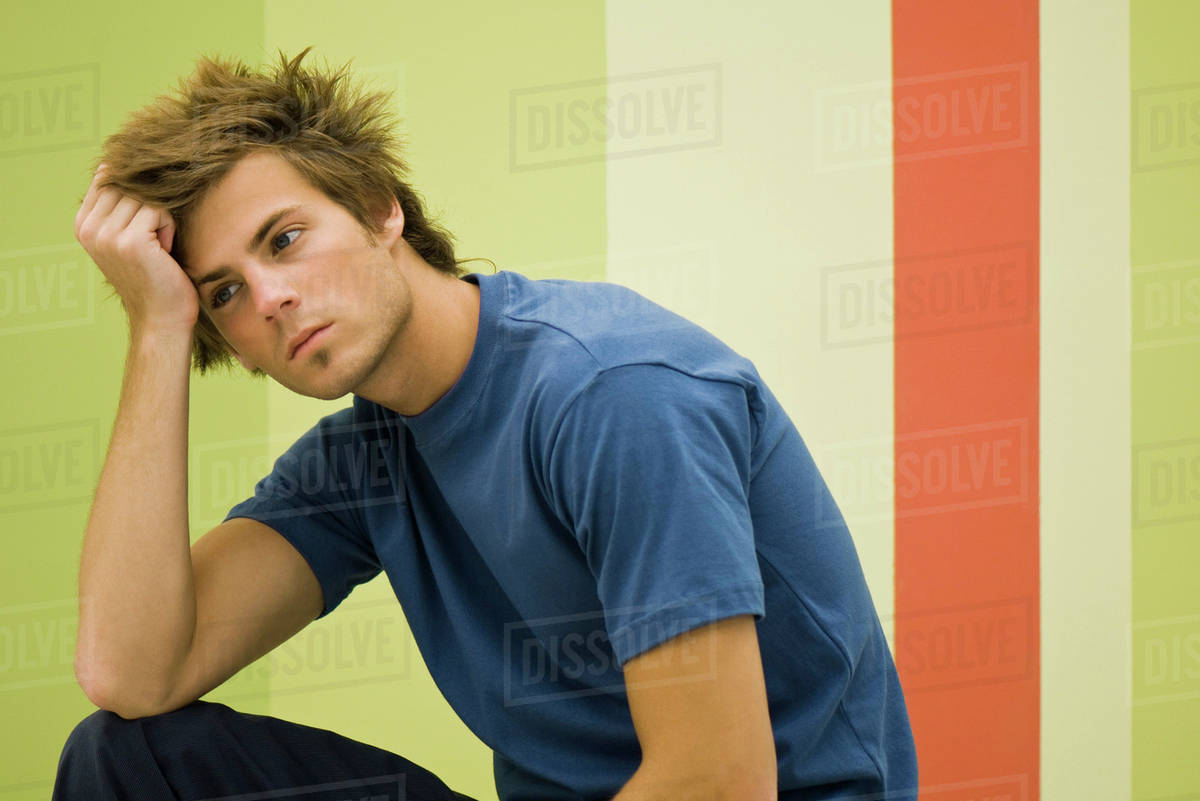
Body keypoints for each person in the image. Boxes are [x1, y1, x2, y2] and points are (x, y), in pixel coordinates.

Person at [56, 46, 918, 801]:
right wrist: (157, 330)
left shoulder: (609, 394)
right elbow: (132, 674)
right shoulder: (365, 459)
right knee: (133, 760)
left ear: (380, 207)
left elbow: (720, 786)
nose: (272, 297)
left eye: (283, 239)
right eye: (225, 293)